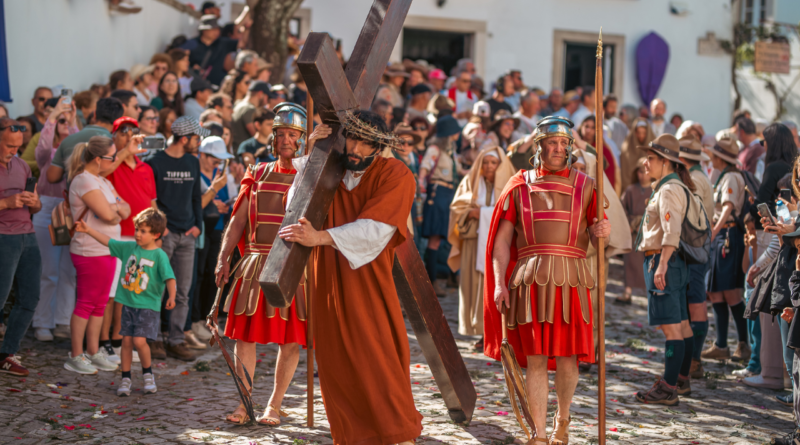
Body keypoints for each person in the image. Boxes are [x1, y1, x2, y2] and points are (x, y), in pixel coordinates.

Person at [278, 109, 422, 445]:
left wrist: (321, 237)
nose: (355, 148)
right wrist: (312, 158)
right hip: (327, 275)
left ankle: (399, 434)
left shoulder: (396, 173)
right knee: (336, 361)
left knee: (376, 354)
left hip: (368, 278)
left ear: (378, 146)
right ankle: (354, 436)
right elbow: (295, 207)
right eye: (351, 138)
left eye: (365, 142)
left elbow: (377, 229)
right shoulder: (331, 169)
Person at [485, 116, 610, 443]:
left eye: (563, 144)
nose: (558, 149)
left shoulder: (587, 186)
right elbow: (501, 242)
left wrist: (602, 232)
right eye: (551, 143)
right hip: (529, 279)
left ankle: (563, 418)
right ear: (538, 147)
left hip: (574, 278)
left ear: (570, 148)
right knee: (536, 359)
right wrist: (499, 282)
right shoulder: (518, 184)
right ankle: (539, 434)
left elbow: (600, 239)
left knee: (569, 359)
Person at [214, 103, 308, 425]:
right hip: (254, 262)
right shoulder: (256, 171)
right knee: (245, 336)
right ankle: (244, 403)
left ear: (303, 139)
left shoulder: (311, 176)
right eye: (280, 133)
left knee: (291, 338)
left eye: (292, 134)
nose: (285, 139)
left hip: (293, 265)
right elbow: (238, 219)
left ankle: (275, 404)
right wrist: (223, 258)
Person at [74, 208, 175, 396]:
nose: (137, 234)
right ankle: (126, 379)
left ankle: (148, 375)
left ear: (156, 235)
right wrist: (88, 230)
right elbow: (108, 242)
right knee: (126, 342)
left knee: (139, 340)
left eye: (143, 231)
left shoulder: (159, 255)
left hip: (148, 307)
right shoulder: (129, 248)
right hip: (128, 305)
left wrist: (171, 296)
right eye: (137, 229)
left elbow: (169, 277)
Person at [632, 134, 696, 405]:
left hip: (664, 260)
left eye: (651, 158)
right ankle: (681, 379)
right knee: (681, 325)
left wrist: (661, 265)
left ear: (666, 162)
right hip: (672, 262)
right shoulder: (670, 186)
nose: (646, 163)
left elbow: (672, 231)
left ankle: (668, 388)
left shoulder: (669, 189)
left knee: (672, 330)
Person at [64, 136, 127, 375]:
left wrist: (114, 209)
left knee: (100, 303)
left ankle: (92, 351)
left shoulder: (103, 181)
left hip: (107, 248)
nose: (115, 161)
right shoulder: (83, 181)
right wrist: (115, 209)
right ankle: (76, 354)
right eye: (112, 157)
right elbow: (110, 215)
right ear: (99, 159)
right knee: (86, 303)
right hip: (89, 249)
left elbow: (126, 209)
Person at [146, 116, 206, 361]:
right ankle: (153, 339)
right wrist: (163, 230)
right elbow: (152, 201)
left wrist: (197, 226)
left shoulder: (193, 162)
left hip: (187, 235)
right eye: (196, 137)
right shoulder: (154, 162)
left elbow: (195, 197)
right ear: (184, 138)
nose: (198, 142)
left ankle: (176, 339)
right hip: (165, 235)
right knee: (157, 288)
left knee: (183, 290)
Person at [447, 147, 515, 348]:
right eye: (485, 162)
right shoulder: (470, 181)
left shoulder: (510, 184)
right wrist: (470, 213)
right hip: (474, 243)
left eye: (493, 163)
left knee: (499, 284)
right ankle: (481, 332)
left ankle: (499, 332)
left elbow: (514, 210)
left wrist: (482, 213)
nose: (489, 167)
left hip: (501, 245)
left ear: (501, 165)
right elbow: (457, 208)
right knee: (474, 286)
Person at [31, 98, 79, 343]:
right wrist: (54, 116)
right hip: (48, 206)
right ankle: (42, 322)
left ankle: (63, 320)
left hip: (72, 208)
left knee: (68, 271)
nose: (63, 122)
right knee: (48, 271)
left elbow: (80, 148)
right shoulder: (47, 153)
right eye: (60, 120)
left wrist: (71, 121)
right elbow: (42, 146)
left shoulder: (75, 148)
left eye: (66, 119)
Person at [0, 119, 43, 376]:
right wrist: (7, 202)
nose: (14, 150)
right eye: (8, 145)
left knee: (29, 299)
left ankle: (7, 353)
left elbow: (34, 208)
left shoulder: (22, 165)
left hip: (28, 236)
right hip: (3, 238)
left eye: (18, 146)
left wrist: (34, 202)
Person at [701, 136, 749, 362]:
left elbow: (729, 206)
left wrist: (714, 230)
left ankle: (743, 343)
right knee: (716, 291)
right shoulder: (723, 175)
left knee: (730, 292)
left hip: (728, 235)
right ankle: (721, 344)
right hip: (722, 235)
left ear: (720, 157)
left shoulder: (730, 176)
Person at [675, 136, 715, 377]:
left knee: (696, 303)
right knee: (694, 301)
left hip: (694, 248)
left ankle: (694, 360)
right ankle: (693, 360)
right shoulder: (698, 176)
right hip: (696, 247)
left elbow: (691, 218)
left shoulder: (696, 180)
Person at [194, 136, 235, 342]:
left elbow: (230, 197)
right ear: (203, 154)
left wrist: (225, 205)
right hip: (201, 231)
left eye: (220, 159)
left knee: (213, 276)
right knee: (198, 276)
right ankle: (196, 320)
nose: (217, 163)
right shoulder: (196, 173)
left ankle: (207, 318)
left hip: (219, 229)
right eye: (214, 158)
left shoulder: (222, 175)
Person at [419, 115, 463, 297]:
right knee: (435, 239)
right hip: (437, 193)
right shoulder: (435, 149)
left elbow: (459, 171)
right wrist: (421, 184)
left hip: (448, 194)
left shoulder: (449, 150)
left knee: (449, 235)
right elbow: (424, 168)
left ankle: (451, 276)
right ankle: (432, 281)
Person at [47, 98, 125, 185]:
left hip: (73, 196)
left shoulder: (68, 140)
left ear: (94, 115)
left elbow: (52, 177)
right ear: (119, 120)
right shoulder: (116, 144)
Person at [616, 158, 649, 305]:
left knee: (648, 263)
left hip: (648, 233)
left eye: (645, 171)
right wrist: (629, 224)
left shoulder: (655, 190)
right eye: (639, 172)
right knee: (630, 262)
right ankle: (627, 290)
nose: (642, 175)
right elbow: (621, 209)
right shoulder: (630, 190)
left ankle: (651, 291)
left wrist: (643, 224)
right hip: (631, 232)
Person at [187, 15, 239, 86]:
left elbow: (241, 43)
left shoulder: (222, 43)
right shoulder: (192, 44)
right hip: (198, 88)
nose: (216, 32)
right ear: (204, 30)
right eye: (213, 29)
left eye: (217, 29)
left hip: (218, 86)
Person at [576, 115, 620, 195]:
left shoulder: (603, 150)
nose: (589, 130)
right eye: (586, 126)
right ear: (581, 126)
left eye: (593, 128)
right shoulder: (574, 145)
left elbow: (608, 173)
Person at [231, 81, 269, 151]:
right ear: (260, 94)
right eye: (267, 97)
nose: (267, 102)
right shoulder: (250, 109)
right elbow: (256, 135)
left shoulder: (238, 103)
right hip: (242, 152)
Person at [619, 118, 655, 192]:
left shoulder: (655, 149)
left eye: (644, 133)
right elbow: (624, 174)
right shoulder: (627, 149)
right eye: (638, 133)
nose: (641, 136)